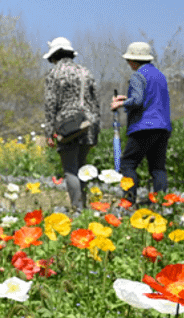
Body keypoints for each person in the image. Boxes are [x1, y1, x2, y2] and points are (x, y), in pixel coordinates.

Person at [42, 37, 99, 212]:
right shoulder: (85, 72)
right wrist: (96, 130)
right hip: (87, 123)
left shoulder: (54, 73)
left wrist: (49, 132)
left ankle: (77, 209)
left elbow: (50, 104)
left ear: (54, 56)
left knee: (70, 169)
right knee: (82, 167)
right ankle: (84, 206)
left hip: (67, 126)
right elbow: (96, 102)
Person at [111, 41, 172, 205]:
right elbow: (151, 98)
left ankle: (128, 201)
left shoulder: (137, 75)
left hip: (144, 127)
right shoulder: (160, 75)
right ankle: (160, 204)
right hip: (163, 127)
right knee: (157, 168)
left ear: (132, 61)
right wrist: (127, 98)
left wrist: (120, 104)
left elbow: (137, 101)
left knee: (128, 164)